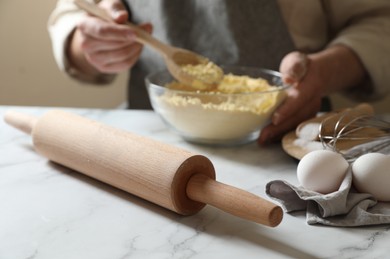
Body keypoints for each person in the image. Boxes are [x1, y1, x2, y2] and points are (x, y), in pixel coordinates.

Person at [48, 0, 390, 145]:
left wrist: (324, 72)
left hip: (287, 135)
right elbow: (73, 12)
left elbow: (378, 20)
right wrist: (87, 42)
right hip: (152, 132)